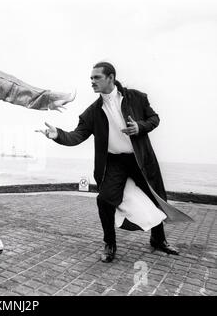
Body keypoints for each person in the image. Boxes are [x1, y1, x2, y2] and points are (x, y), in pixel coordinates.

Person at [37, 62, 193, 263]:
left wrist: (140, 127)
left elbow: (155, 119)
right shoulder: (92, 112)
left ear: (111, 78)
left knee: (155, 197)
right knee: (104, 200)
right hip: (114, 163)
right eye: (91, 78)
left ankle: (158, 240)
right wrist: (58, 134)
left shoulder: (137, 98)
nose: (92, 82)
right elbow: (77, 136)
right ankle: (109, 244)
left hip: (140, 159)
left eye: (96, 78)